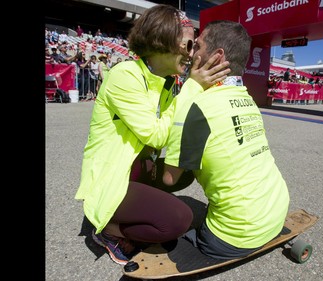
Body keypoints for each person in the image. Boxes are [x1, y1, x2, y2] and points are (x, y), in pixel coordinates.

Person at [75, 4, 230, 266]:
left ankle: (137, 207)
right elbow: (157, 136)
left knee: (182, 172)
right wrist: (192, 88)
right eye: (189, 45)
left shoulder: (165, 81)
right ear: (164, 40)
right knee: (179, 219)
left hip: (133, 167)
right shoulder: (126, 75)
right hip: (111, 177)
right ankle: (110, 231)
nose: (192, 55)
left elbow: (172, 132)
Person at [162, 20, 290, 260]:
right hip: (277, 211)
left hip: (233, 236)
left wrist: (191, 85)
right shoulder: (248, 99)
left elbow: (170, 179)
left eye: (197, 46)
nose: (191, 53)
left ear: (217, 56)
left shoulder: (195, 106)